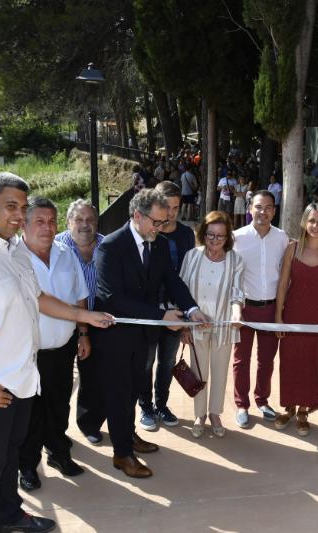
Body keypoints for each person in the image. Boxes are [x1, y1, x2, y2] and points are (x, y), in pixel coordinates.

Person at [0, 172, 113, 533]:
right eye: (11, 206)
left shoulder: (14, 251)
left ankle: (11, 515)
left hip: (21, 378)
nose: (19, 214)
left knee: (9, 456)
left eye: (23, 207)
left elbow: (37, 298)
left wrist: (83, 316)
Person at [93, 188, 209, 479]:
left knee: (133, 390)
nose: (161, 227)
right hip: (116, 338)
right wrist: (161, 317)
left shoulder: (159, 244)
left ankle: (128, 435)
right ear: (137, 216)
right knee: (119, 395)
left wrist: (192, 309)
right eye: (156, 222)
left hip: (143, 336)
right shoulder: (111, 246)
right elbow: (112, 298)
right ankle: (122, 455)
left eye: (164, 221)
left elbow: (172, 280)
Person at [17, 197, 90, 493]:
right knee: (30, 414)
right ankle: (27, 467)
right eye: (39, 221)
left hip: (63, 348)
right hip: (28, 353)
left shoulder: (65, 253)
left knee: (60, 405)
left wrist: (83, 333)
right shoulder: (13, 257)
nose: (47, 228)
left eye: (51, 221)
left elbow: (80, 294)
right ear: (23, 224)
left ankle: (59, 454)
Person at [274, 203, 318, 436]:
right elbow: (282, 284)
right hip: (294, 315)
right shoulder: (292, 248)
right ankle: (289, 407)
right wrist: (278, 317)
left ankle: (304, 410)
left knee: (314, 363)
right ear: (304, 222)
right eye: (312, 220)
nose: (315, 225)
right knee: (291, 361)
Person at [179, 211, 245, 438]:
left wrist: (236, 313)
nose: (215, 240)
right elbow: (182, 292)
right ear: (203, 234)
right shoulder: (192, 256)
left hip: (224, 326)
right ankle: (200, 415)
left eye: (220, 236)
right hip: (196, 325)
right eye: (210, 235)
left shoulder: (236, 260)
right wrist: (184, 326)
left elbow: (237, 293)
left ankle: (215, 413)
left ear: (228, 237)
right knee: (198, 371)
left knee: (220, 371)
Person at [138, 181, 196, 432]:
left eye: (175, 207)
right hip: (149, 311)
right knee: (146, 361)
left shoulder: (186, 234)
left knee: (168, 361)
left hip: (176, 310)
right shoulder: (147, 231)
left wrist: (187, 321)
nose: (171, 213)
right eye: (166, 207)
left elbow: (187, 276)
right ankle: (145, 407)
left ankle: (161, 404)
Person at [232, 191, 289, 428]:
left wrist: (280, 312)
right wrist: (234, 308)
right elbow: (232, 275)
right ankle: (241, 404)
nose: (262, 212)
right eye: (258, 207)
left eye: (268, 207)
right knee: (241, 359)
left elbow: (286, 273)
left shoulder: (282, 238)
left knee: (266, 360)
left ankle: (262, 400)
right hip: (244, 308)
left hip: (271, 309)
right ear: (249, 208)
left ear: (274, 211)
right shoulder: (237, 237)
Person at [56, 199, 107, 445]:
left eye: (90, 220)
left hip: (98, 321)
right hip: (63, 322)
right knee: (61, 381)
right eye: (79, 219)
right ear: (69, 222)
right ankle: (56, 433)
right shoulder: (56, 247)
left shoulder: (107, 246)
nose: (85, 225)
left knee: (94, 377)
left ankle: (90, 424)